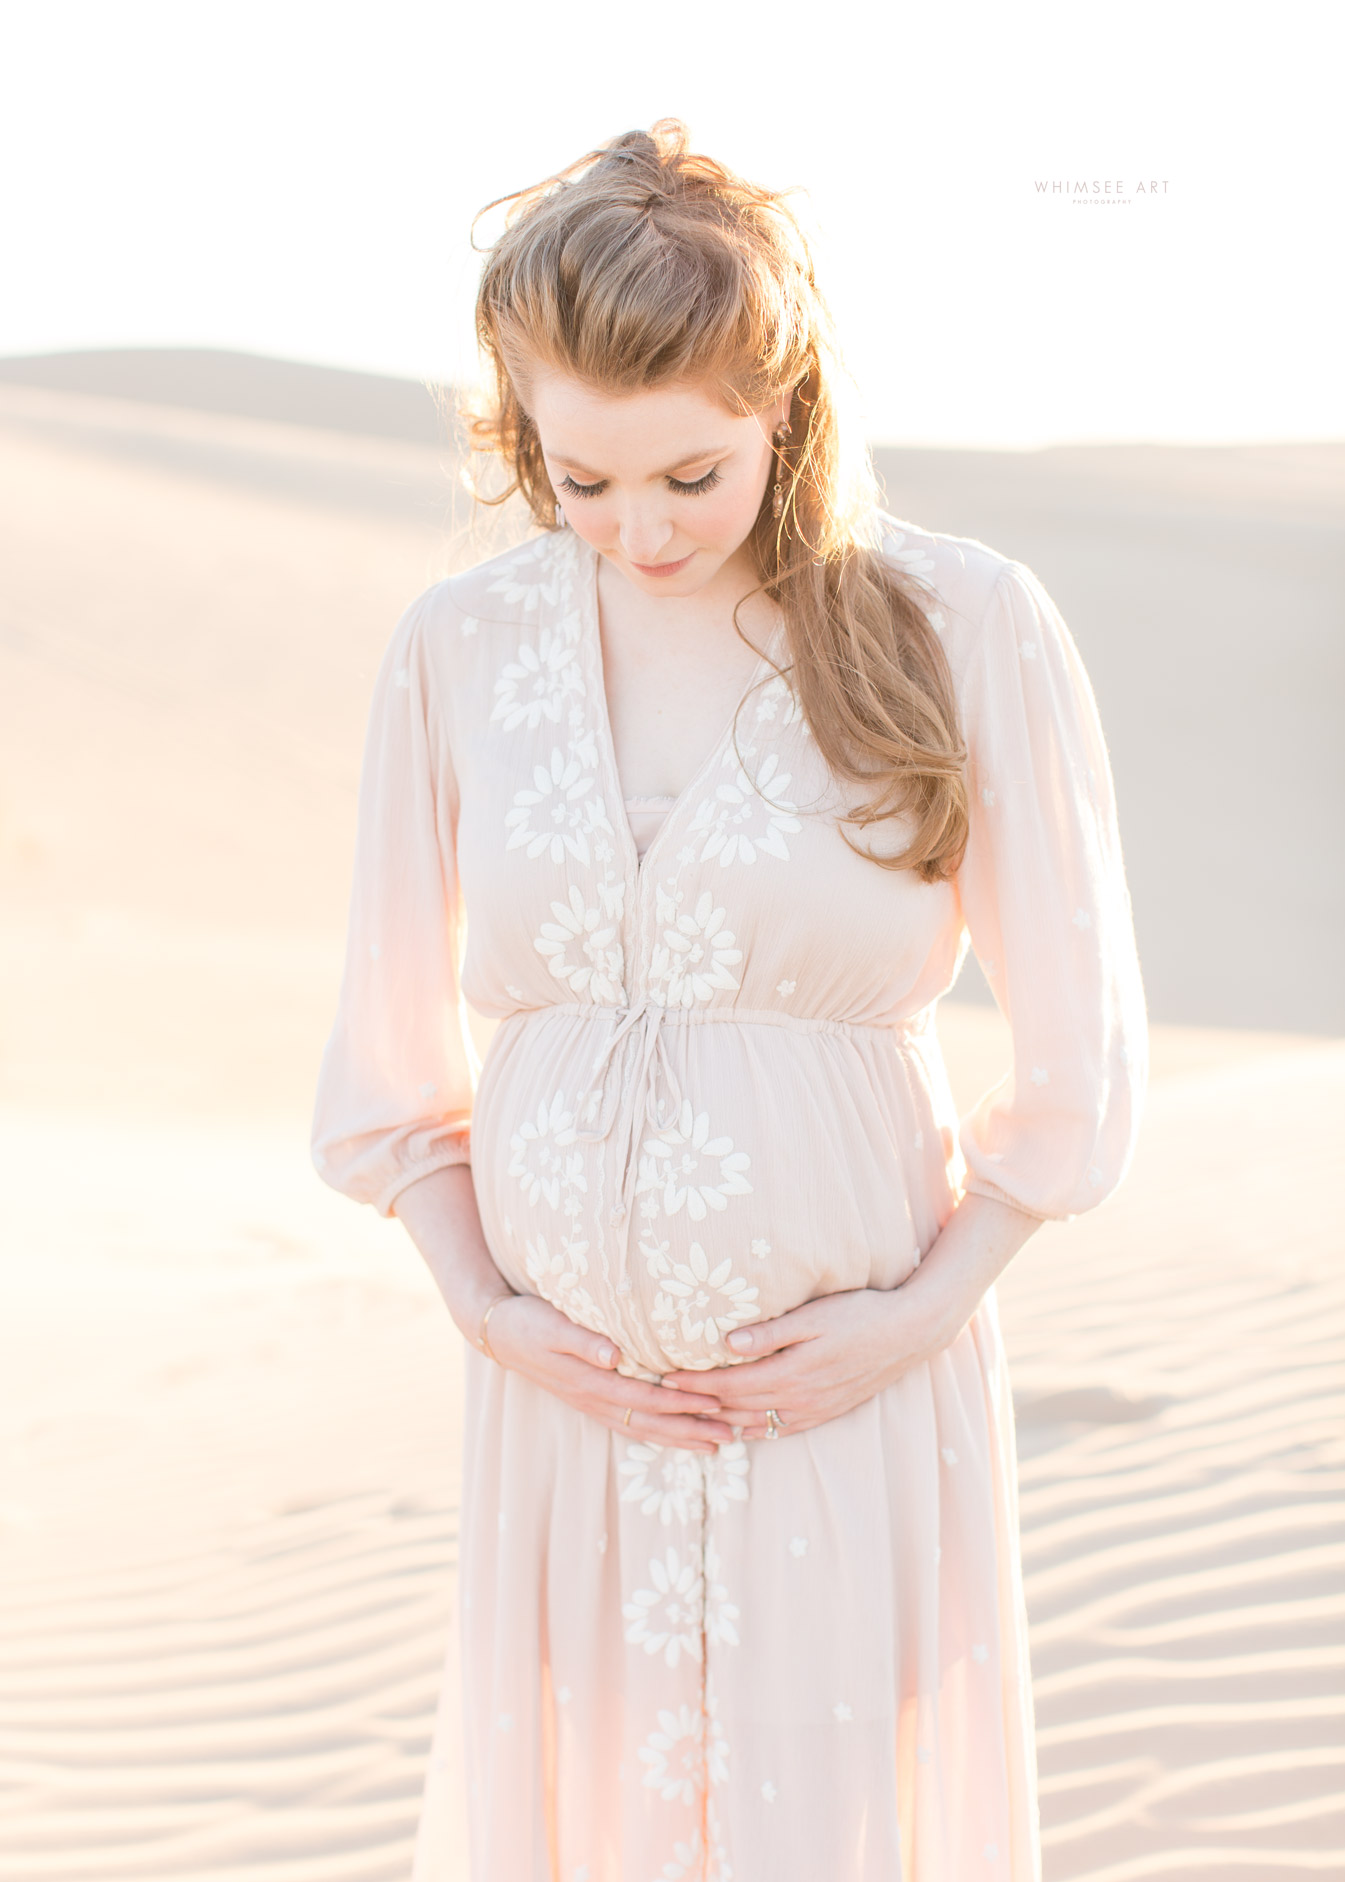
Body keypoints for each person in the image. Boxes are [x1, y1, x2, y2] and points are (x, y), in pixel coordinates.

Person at [311, 119, 1147, 1882]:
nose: (638, 531)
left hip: (849, 1406)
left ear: (787, 403)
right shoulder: (456, 651)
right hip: (560, 1423)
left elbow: (1076, 1065)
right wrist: (485, 1309)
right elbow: (392, 1071)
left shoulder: (957, 622)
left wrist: (917, 1313)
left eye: (690, 474)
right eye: (580, 479)